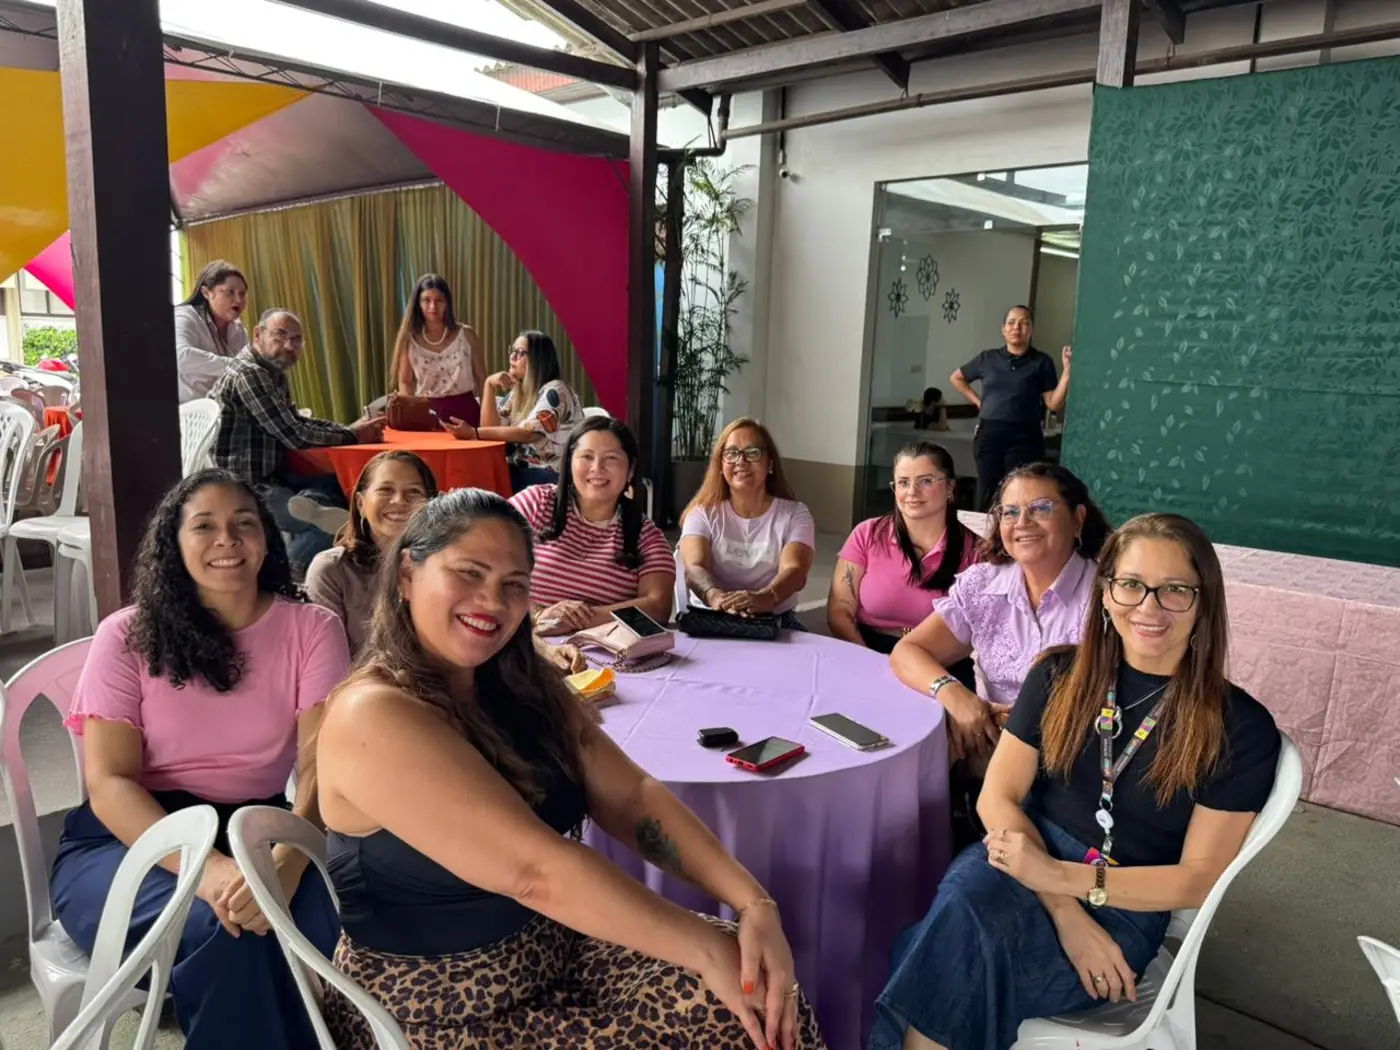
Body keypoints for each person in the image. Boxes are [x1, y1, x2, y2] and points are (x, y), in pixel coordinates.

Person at [315, 489, 828, 1050]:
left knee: (762, 991)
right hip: (438, 1008)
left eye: (514, 584)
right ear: (407, 576)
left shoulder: (513, 684)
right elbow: (536, 872)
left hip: (556, 953)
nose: (492, 601)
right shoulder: (373, 714)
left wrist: (752, 901)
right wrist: (704, 949)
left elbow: (631, 794)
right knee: (730, 1000)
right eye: (469, 573)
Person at [870, 513, 1281, 1050]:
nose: (1149, 607)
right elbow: (997, 798)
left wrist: (1068, 884)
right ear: (1105, 593)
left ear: (1204, 602)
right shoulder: (1058, 675)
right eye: (1131, 584)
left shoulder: (1240, 728)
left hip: (1127, 903)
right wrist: (1064, 907)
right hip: (1024, 851)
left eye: (1175, 590)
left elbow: (1196, 880)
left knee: (952, 939)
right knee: (966, 914)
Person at [49, 470, 348, 1049]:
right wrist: (209, 871)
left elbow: (321, 766)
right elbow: (110, 782)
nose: (226, 540)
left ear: (267, 538)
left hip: (256, 833)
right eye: (204, 526)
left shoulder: (312, 629)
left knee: (320, 921)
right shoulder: (127, 635)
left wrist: (288, 860)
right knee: (234, 928)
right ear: (174, 542)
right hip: (130, 840)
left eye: (244, 523)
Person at [891, 462, 1111, 766]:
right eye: (1010, 512)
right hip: (988, 752)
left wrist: (1013, 729)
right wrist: (956, 696)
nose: (1022, 522)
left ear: (1078, 519)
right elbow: (908, 651)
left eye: (1041, 508)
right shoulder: (983, 585)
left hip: (1075, 760)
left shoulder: (1110, 598)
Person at [211, 308, 385, 575]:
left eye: (296, 339)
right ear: (258, 335)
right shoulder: (249, 374)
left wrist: (348, 430)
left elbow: (298, 421)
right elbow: (294, 435)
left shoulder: (272, 372)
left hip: (275, 473)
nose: (288, 345)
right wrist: (354, 435)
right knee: (335, 523)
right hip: (247, 483)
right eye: (280, 335)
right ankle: (289, 574)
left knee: (338, 483)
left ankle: (309, 503)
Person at [510, 415, 674, 635]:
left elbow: (658, 606)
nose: (597, 468)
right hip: (523, 641)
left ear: (631, 469)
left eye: (611, 458)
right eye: (587, 456)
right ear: (569, 462)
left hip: (601, 650)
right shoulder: (535, 504)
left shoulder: (645, 536)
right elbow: (484, 567)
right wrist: (539, 615)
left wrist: (577, 618)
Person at [829, 443, 978, 670]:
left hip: (940, 661)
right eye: (903, 482)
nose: (912, 492)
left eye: (925, 481)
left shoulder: (975, 550)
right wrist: (870, 662)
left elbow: (974, 631)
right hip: (866, 650)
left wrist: (917, 669)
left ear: (950, 487)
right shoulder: (867, 533)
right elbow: (840, 612)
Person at [679, 418, 815, 631]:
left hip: (775, 618)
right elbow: (694, 567)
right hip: (711, 616)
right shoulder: (701, 514)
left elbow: (795, 571)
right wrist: (715, 596)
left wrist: (765, 598)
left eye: (752, 452)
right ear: (721, 466)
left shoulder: (795, 515)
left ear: (770, 464)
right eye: (731, 453)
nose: (740, 461)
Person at [305, 450, 438, 656]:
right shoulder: (332, 569)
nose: (399, 500)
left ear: (432, 505)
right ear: (361, 504)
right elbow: (323, 659)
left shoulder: (443, 568)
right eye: (386, 489)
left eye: (414, 491)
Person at [950, 305, 1073, 510]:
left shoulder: (1041, 362)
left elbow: (1053, 403)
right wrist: (980, 403)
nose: (1017, 327)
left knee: (1020, 491)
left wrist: (1067, 372)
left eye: (1024, 323)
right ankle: (986, 531)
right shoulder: (987, 358)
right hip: (990, 435)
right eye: (1011, 323)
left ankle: (1016, 530)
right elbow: (956, 378)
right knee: (987, 491)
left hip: (1025, 436)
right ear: (1003, 329)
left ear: (1031, 330)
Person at [442, 329, 582, 492]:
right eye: (513, 351)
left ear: (538, 359)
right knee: (474, 476)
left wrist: (474, 433)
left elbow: (529, 433)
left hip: (551, 477)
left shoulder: (556, 391)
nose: (512, 357)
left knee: (480, 481)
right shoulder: (518, 393)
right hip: (522, 472)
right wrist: (489, 385)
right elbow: (490, 431)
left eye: (521, 353)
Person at [389, 273, 486, 426]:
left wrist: (486, 418)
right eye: (426, 300)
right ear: (418, 303)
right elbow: (405, 382)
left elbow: (482, 378)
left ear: (447, 303)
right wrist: (411, 413)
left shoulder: (466, 335)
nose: (433, 307)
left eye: (439, 300)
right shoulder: (409, 340)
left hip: (467, 414)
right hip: (426, 415)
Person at [175, 259, 249, 403]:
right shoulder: (185, 316)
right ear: (206, 292)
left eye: (242, 294)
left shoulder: (238, 329)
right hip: (188, 411)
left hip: (224, 409)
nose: (238, 300)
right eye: (230, 292)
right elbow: (180, 356)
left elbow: (247, 371)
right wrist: (236, 367)